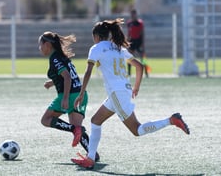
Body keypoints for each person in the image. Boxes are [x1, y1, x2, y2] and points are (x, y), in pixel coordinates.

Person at [71, 19, 190, 169]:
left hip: (117, 93)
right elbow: (140, 66)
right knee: (95, 121)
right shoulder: (118, 47)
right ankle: (90, 158)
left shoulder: (96, 48)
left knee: (137, 130)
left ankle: (171, 120)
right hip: (121, 92)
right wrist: (136, 87)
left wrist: (81, 93)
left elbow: (88, 71)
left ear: (96, 36)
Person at [38, 31, 99, 161]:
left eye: (40, 45)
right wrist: (52, 82)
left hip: (70, 96)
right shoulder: (62, 57)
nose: (40, 48)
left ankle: (74, 129)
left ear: (47, 44)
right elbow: (66, 76)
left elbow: (66, 77)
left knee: (46, 120)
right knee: (79, 131)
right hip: (80, 95)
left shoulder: (55, 58)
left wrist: (65, 98)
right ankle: (92, 154)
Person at [126, 9, 149, 77]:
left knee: (143, 58)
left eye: (134, 14)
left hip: (138, 41)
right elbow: (129, 33)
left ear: (136, 15)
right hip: (132, 42)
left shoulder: (140, 23)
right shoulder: (129, 23)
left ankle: (146, 72)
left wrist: (142, 44)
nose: (133, 16)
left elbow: (142, 33)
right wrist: (127, 42)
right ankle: (129, 72)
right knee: (129, 57)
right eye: (132, 14)